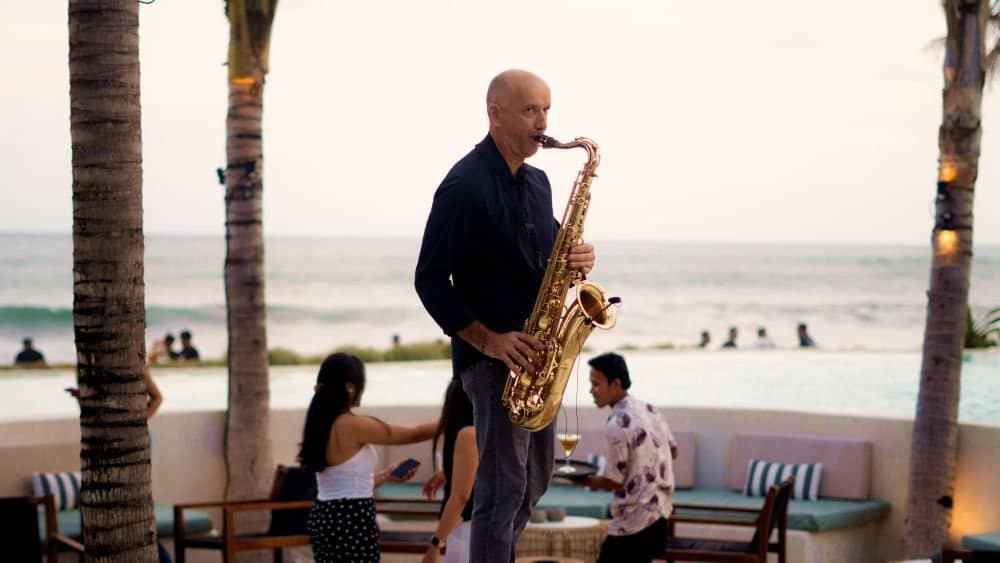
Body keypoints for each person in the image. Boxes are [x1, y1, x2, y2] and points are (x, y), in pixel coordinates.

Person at [414, 68, 596, 562]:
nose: (542, 121)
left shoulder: (538, 184)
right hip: (491, 360)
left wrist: (578, 257)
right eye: (530, 110)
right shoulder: (462, 185)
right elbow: (428, 280)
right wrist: (490, 340)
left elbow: (556, 251)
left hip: (537, 357)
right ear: (495, 114)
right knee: (500, 491)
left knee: (533, 483)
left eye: (546, 109)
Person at [297, 353, 438, 563]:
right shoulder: (352, 425)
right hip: (352, 518)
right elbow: (415, 433)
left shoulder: (318, 424)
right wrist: (454, 416)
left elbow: (341, 484)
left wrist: (385, 476)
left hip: (324, 516)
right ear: (350, 386)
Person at [573, 352, 676, 563]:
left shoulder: (617, 425)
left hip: (634, 525)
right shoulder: (649, 409)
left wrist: (578, 479)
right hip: (660, 518)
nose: (591, 390)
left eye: (596, 384)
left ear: (616, 384)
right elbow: (674, 451)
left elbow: (614, 481)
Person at [421, 379, 476, 563]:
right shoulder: (485, 430)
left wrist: (435, 544)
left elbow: (461, 496)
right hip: (474, 528)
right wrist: (450, 473)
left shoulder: (468, 434)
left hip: (467, 529)